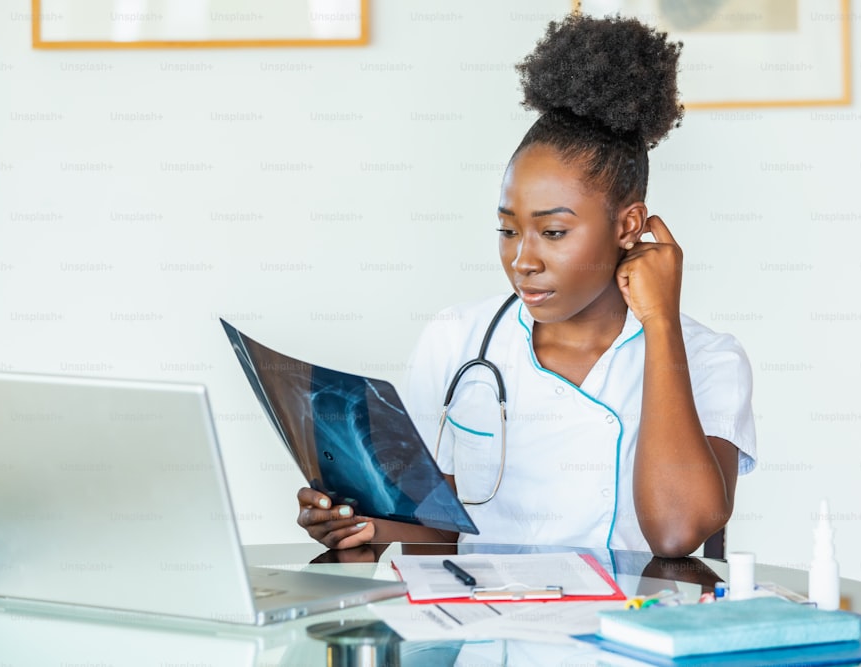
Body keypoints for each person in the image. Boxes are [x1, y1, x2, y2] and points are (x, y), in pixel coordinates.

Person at [298, 14, 756, 558]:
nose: (522, 260)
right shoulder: (457, 338)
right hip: (485, 633)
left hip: (626, 632)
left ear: (628, 227)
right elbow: (437, 528)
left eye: (553, 232)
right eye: (508, 229)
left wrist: (660, 323)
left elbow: (677, 531)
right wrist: (365, 527)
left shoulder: (708, 359)